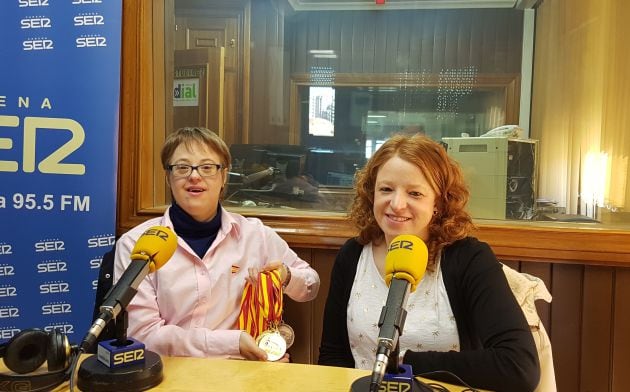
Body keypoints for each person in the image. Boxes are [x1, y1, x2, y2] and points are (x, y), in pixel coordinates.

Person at [317, 134, 540, 392]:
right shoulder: (352, 255)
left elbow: (519, 366)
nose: (397, 204)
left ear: (438, 202)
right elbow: (332, 356)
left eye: (415, 193)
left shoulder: (469, 259)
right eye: (386, 189)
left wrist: (407, 364)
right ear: (371, 194)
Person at [113, 127, 320, 360]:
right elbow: (145, 336)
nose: (194, 175)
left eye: (207, 167)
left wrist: (287, 276)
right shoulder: (135, 245)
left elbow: (311, 286)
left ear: (223, 177)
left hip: (243, 375)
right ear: (168, 177)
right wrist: (233, 343)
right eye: (182, 167)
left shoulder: (255, 235)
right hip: (170, 374)